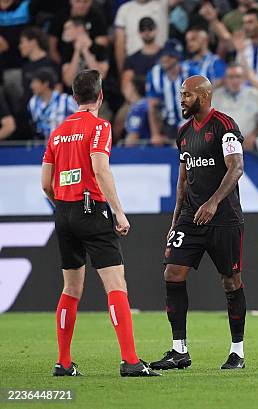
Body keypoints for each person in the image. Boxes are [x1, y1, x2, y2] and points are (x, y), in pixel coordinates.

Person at [40, 69, 159, 377]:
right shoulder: (100, 126)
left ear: (74, 97)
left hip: (63, 212)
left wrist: (64, 207)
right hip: (91, 209)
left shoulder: (58, 132)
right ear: (100, 96)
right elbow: (100, 167)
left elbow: (45, 184)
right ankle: (130, 360)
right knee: (115, 284)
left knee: (71, 288)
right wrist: (118, 211)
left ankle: (63, 362)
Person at [150, 75, 247, 371]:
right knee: (172, 274)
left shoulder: (225, 127)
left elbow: (237, 168)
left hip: (224, 219)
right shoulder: (183, 133)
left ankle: (237, 352)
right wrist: (176, 218)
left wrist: (214, 201)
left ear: (203, 97)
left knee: (230, 281)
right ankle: (179, 350)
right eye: (181, 94)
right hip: (190, 219)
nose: (181, 100)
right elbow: (183, 179)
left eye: (186, 95)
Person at [211, 63, 258, 151]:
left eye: (238, 76)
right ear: (225, 79)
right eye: (231, 77)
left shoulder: (255, 95)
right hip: (221, 149)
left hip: (248, 149)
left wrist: (254, 134)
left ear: (244, 78)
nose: (235, 81)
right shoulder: (215, 96)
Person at [28, 68, 78, 139]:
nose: (31, 86)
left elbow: (83, 117)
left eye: (35, 82)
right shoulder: (32, 103)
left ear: (45, 84)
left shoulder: (66, 100)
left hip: (66, 144)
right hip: (42, 146)